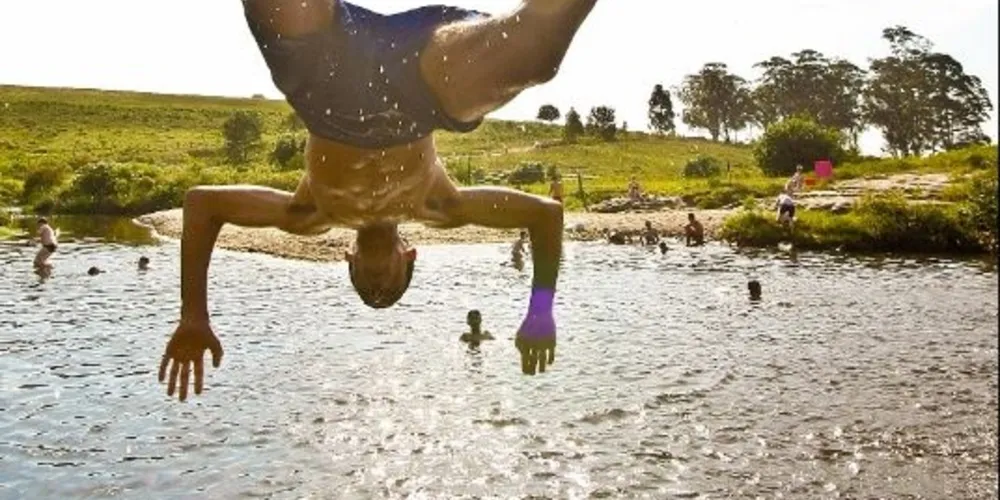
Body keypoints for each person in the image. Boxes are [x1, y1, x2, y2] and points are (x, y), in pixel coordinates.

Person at [158, 0, 598, 401]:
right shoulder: (441, 206)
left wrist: (193, 314)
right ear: (409, 256)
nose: (374, 279)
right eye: (385, 286)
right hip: (424, 89)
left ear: (348, 261)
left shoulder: (308, 213)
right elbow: (545, 215)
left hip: (325, 83)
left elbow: (203, 204)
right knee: (538, 57)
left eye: (365, 286)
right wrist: (540, 310)